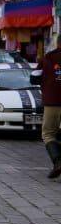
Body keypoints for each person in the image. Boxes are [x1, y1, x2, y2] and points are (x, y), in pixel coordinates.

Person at [40, 37, 61, 179]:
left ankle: (58, 161)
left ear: (57, 43)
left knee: (48, 133)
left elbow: (33, 78)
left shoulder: (47, 58)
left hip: (52, 102)